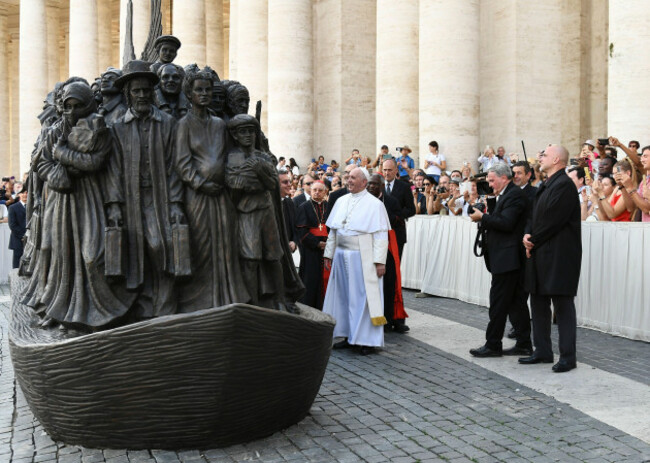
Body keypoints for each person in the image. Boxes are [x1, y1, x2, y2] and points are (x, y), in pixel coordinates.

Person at [22, 81, 135, 329]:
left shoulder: (100, 129)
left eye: (77, 106)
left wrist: (63, 155)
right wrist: (61, 174)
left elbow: (97, 162)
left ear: (87, 105)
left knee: (91, 254)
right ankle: (58, 310)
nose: (72, 112)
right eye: (68, 106)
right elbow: (42, 163)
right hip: (60, 200)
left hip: (89, 199)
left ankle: (96, 310)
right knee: (59, 254)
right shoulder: (54, 131)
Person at [106, 60, 186, 319]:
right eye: (136, 91)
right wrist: (115, 205)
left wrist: (175, 203)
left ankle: (165, 307)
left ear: (152, 92)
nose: (141, 95)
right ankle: (139, 310)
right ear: (128, 94)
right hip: (130, 199)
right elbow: (113, 169)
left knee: (160, 247)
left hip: (160, 197)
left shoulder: (167, 123)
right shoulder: (117, 126)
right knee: (134, 250)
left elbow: (175, 166)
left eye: (145, 90)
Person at [174, 67, 250, 312]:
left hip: (220, 195)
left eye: (208, 90)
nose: (204, 94)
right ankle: (198, 301)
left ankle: (225, 297)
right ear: (189, 94)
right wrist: (201, 183)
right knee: (201, 246)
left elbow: (228, 155)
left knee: (225, 246)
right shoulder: (183, 125)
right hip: (197, 197)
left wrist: (229, 179)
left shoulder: (219, 124)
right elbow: (182, 162)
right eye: (199, 90)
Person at [226, 114, 303, 311]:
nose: (248, 135)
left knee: (273, 256)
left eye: (251, 131)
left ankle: (279, 299)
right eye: (243, 131)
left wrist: (259, 172)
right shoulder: (232, 157)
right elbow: (234, 185)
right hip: (246, 213)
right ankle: (252, 303)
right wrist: (247, 182)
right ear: (235, 135)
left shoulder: (263, 157)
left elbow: (271, 185)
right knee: (250, 259)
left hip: (266, 212)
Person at [521, 145, 581, 373]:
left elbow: (552, 220)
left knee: (562, 305)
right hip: (540, 253)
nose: (540, 156)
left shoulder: (564, 185)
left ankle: (568, 356)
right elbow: (533, 215)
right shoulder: (544, 185)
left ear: (556, 159)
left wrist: (532, 239)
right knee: (537, 301)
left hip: (559, 256)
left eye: (544, 154)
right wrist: (527, 234)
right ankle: (543, 350)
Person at [323, 168, 391, 355]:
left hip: (364, 256)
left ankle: (365, 340)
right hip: (341, 254)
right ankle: (347, 335)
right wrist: (329, 254)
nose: (349, 180)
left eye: (353, 178)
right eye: (348, 177)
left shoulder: (374, 205)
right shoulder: (341, 201)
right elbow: (334, 232)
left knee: (363, 299)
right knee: (343, 296)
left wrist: (379, 261)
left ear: (364, 182)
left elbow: (380, 235)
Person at [468, 163, 532, 357]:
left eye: (492, 179)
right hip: (504, 257)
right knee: (515, 303)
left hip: (509, 258)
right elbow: (500, 217)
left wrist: (482, 217)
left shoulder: (514, 195)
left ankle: (493, 344)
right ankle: (523, 343)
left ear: (504, 178)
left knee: (498, 302)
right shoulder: (505, 194)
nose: (489, 183)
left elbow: (506, 223)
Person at [367, 174, 408, 334]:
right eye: (369, 184)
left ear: (382, 186)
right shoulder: (362, 201)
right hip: (368, 246)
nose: (371, 187)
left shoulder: (391, 202)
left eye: (375, 184)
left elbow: (399, 220)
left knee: (390, 282)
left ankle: (390, 319)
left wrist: (384, 217)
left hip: (388, 248)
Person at [296, 181, 329, 310]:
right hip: (311, 251)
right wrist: (316, 243)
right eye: (314, 190)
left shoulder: (329, 206)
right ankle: (309, 308)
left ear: (325, 192)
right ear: (310, 191)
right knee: (311, 280)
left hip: (328, 249)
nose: (317, 192)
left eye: (320, 190)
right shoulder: (304, 207)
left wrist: (329, 243)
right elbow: (301, 231)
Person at [619, 148, 650, 222]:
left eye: (645, 156)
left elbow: (646, 209)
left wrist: (630, 188)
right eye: (642, 157)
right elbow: (632, 207)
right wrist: (623, 186)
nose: (642, 160)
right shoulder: (644, 181)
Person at [279, 169, 299, 254]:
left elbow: (295, 226)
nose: (289, 185)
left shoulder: (289, 202)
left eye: (289, 182)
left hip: (287, 253)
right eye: (285, 182)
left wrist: (294, 242)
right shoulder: (267, 205)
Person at [8, 186, 27, 268]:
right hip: (18, 239)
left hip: (32, 240)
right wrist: (24, 235)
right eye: (23, 193)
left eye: (27, 193)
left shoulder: (34, 207)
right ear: (19, 194)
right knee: (17, 263)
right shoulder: (13, 207)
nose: (25, 195)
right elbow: (12, 225)